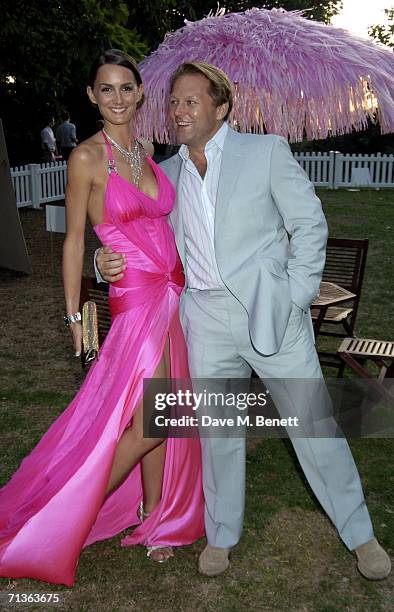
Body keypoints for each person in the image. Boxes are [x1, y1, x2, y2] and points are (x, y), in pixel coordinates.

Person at [96, 61, 391, 580]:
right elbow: (135, 234)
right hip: (204, 318)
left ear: (221, 107)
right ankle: (223, 534)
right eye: (174, 102)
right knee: (220, 434)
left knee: (314, 426)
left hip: (271, 313)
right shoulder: (165, 171)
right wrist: (101, 263)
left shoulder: (267, 152)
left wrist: (296, 295)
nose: (179, 110)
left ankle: (360, 535)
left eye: (192, 101)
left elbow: (309, 226)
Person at [0, 50, 204, 587]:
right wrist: (74, 313)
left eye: (125, 88)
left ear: (140, 94)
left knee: (156, 415)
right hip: (135, 296)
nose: (116, 98)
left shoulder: (147, 149)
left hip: (170, 291)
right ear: (92, 96)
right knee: (160, 418)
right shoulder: (86, 158)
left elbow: (162, 224)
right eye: (105, 89)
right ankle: (66, 514)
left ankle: (154, 513)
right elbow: (72, 241)